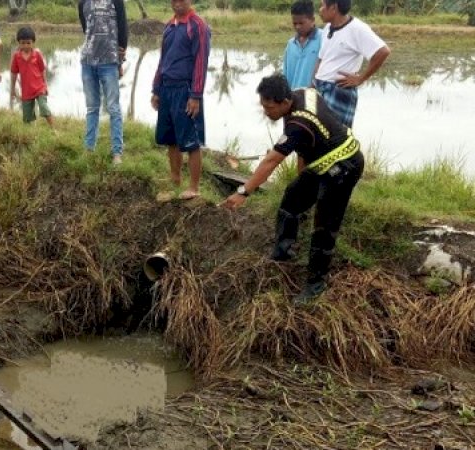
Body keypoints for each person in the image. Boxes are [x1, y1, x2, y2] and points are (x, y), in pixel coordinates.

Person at [220, 74, 365, 305]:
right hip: (322, 163)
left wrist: (243, 193)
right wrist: (305, 183)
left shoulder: (298, 124)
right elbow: (308, 146)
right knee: (292, 199)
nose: (266, 112)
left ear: (285, 102)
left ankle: (315, 284)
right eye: (263, 105)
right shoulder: (304, 92)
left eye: (269, 107)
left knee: (324, 227)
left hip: (344, 167)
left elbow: (271, 161)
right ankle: (283, 251)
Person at [151, 0, 210, 201]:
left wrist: (195, 95)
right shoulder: (169, 25)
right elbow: (163, 60)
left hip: (185, 89)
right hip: (166, 88)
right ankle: (174, 180)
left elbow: (201, 62)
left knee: (191, 140)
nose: (177, 4)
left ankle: (194, 187)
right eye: (173, 0)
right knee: (171, 138)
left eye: (181, 0)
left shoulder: (198, 26)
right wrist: (156, 89)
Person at [313, 0, 390, 127]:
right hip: (321, 88)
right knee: (318, 135)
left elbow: (383, 51)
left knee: (336, 136)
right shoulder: (328, 28)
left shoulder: (357, 29)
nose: (320, 10)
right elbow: (322, 58)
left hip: (338, 90)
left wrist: (360, 79)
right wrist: (314, 80)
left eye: (322, 5)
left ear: (333, 8)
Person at [78, 0, 128, 165]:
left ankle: (117, 152)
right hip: (87, 62)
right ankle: (89, 148)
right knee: (92, 108)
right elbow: (86, 30)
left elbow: (122, 29)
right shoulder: (83, 2)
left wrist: (120, 62)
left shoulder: (116, 1)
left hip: (109, 62)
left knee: (113, 108)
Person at [9, 27, 53, 127]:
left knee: (44, 107)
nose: (25, 45)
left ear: (33, 42)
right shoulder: (16, 56)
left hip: (39, 88)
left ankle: (53, 129)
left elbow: (42, 71)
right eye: (22, 43)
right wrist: (12, 90)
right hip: (26, 90)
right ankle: (30, 133)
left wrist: (45, 85)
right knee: (27, 118)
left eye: (28, 43)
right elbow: (14, 74)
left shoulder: (37, 55)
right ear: (18, 43)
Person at [283, 0, 321, 89]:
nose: (297, 27)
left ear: (312, 20)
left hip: (315, 98)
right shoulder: (291, 44)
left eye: (301, 23)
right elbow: (285, 75)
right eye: (294, 23)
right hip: (294, 97)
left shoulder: (324, 40)